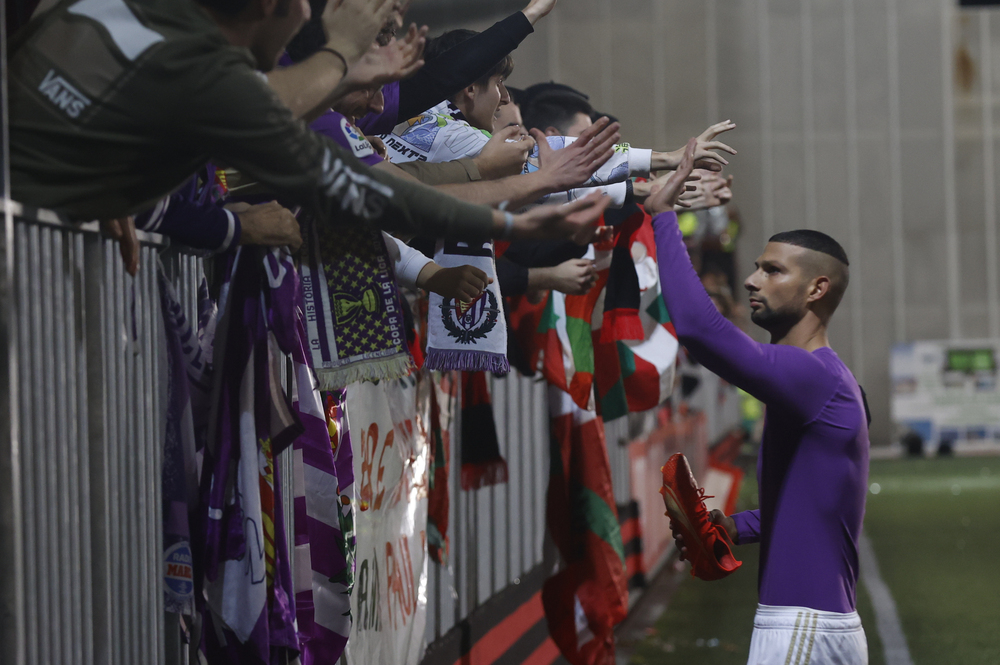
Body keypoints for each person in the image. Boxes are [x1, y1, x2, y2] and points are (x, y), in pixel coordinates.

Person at [8, 0, 610, 261]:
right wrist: (513, 220)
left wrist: (103, 172)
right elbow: (369, 191)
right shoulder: (210, 85)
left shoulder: (116, 17)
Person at [646, 140, 871, 664]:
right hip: (820, 624)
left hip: (800, 626)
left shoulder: (813, 376)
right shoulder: (826, 381)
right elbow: (815, 507)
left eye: (772, 270)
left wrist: (662, 217)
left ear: (817, 289)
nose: (751, 278)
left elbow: (701, 332)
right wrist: (735, 527)